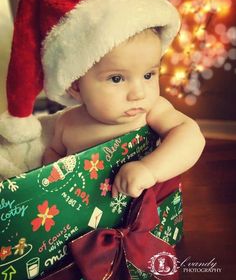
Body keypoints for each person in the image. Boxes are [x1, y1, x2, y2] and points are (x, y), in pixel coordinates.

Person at [43, 27, 205, 198]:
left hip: (141, 210)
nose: (139, 94)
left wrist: (149, 168)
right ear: (76, 86)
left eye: (148, 75)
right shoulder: (67, 122)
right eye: (116, 78)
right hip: (83, 213)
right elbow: (53, 153)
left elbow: (191, 136)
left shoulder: (152, 111)